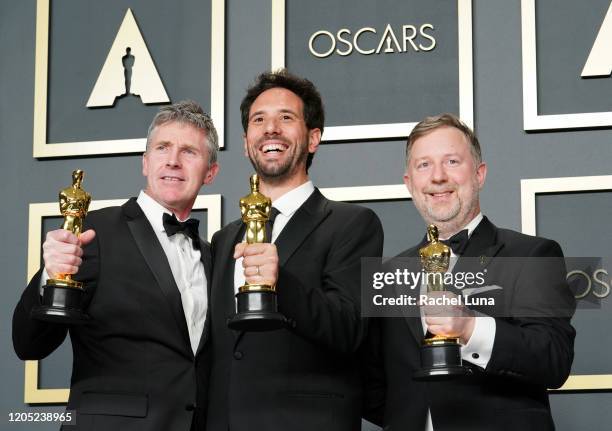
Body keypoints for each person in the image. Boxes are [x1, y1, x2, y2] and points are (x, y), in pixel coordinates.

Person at [13, 100, 219, 431]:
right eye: (162, 148)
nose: (173, 161)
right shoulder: (95, 234)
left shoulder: (213, 256)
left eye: (189, 152)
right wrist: (51, 276)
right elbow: (28, 343)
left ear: (210, 172)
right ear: (145, 162)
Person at [364, 113, 576, 430]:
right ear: (409, 183)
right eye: (424, 165)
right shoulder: (389, 274)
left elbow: (553, 360)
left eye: (451, 161)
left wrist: (470, 327)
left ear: (479, 174)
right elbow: (373, 383)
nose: (437, 176)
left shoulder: (531, 255)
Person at [206, 70, 384, 431]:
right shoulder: (224, 239)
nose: (270, 128)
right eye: (259, 120)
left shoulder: (353, 224)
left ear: (313, 138)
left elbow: (349, 329)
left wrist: (279, 283)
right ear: (246, 142)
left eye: (286, 118)